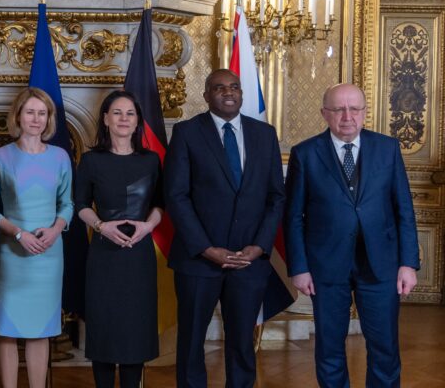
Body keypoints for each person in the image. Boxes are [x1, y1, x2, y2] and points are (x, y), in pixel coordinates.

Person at [284, 83, 420, 388]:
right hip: (325, 267)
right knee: (330, 348)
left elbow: (404, 209)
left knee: (384, 348)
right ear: (325, 113)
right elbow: (292, 217)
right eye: (338, 109)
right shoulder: (305, 154)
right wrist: (300, 267)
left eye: (355, 109)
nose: (348, 116)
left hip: (381, 265)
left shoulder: (388, 148)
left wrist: (408, 263)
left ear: (364, 112)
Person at [164, 69, 285, 388]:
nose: (228, 92)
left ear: (241, 93)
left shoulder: (265, 134)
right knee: (191, 343)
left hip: (249, 261)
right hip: (198, 261)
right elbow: (176, 196)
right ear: (206, 95)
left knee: (243, 343)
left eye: (234, 87)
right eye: (219, 88)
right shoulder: (187, 133)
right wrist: (206, 248)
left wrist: (259, 247)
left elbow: (276, 197)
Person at [75, 90, 163, 388]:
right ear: (105, 119)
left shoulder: (151, 161)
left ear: (138, 121)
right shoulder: (90, 160)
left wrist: (147, 228)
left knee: (134, 333)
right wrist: (102, 226)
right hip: (103, 255)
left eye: (130, 113)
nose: (123, 119)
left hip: (138, 257)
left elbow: (161, 205)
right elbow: (80, 205)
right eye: (117, 113)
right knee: (104, 331)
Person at [0, 87, 73, 388]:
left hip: (49, 255)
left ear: (49, 118)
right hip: (13, 253)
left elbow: (68, 203)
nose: (36, 119)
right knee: (7, 329)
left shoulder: (61, 156)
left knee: (42, 329)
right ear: (18, 115)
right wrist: (19, 233)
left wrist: (55, 229)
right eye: (30, 112)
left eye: (42, 113)